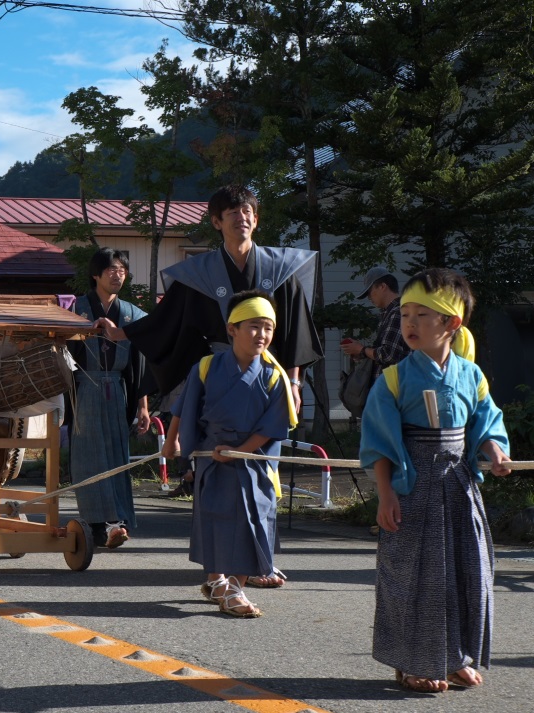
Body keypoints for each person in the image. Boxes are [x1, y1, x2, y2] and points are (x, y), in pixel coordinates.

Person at [99, 185, 322, 583]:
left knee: (261, 476)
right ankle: (220, 568)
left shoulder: (279, 268)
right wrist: (125, 335)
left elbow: (293, 333)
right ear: (217, 222)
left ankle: (259, 562)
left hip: (268, 378)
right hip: (220, 380)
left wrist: (293, 381)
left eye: (249, 210)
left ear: (257, 218)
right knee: (219, 477)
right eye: (232, 212)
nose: (243, 217)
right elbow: (168, 324)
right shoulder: (199, 274)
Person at [359, 268, 510, 693]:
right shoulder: (393, 378)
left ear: (451, 324)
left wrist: (496, 454)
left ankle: (454, 655)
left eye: (423, 315)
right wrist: (385, 494)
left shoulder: (472, 375)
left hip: (460, 487)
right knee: (415, 578)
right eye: (405, 313)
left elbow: (487, 427)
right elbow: (381, 444)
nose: (409, 323)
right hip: (413, 488)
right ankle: (413, 662)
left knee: (469, 573)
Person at [163, 290, 298, 617]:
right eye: (254, 326)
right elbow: (185, 408)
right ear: (232, 328)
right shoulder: (207, 367)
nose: (262, 334)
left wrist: (240, 451)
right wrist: (172, 443)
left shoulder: (274, 375)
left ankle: (235, 586)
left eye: (268, 327)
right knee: (216, 519)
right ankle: (216, 581)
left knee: (253, 519)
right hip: (212, 457)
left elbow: (271, 426)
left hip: (252, 459)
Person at [69, 248, 150, 548]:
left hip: (117, 389)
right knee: (89, 457)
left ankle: (117, 521)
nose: (117, 274)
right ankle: (96, 523)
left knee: (117, 455)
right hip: (84, 388)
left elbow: (140, 364)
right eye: (111, 269)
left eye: (122, 270)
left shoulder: (133, 314)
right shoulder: (75, 309)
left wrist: (143, 406)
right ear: (96, 274)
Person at [342, 265, 410, 378]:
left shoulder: (397, 312)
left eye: (369, 291)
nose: (369, 297)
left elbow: (388, 355)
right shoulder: (391, 312)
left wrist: (361, 349)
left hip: (394, 388)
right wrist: (361, 352)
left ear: (383, 286)